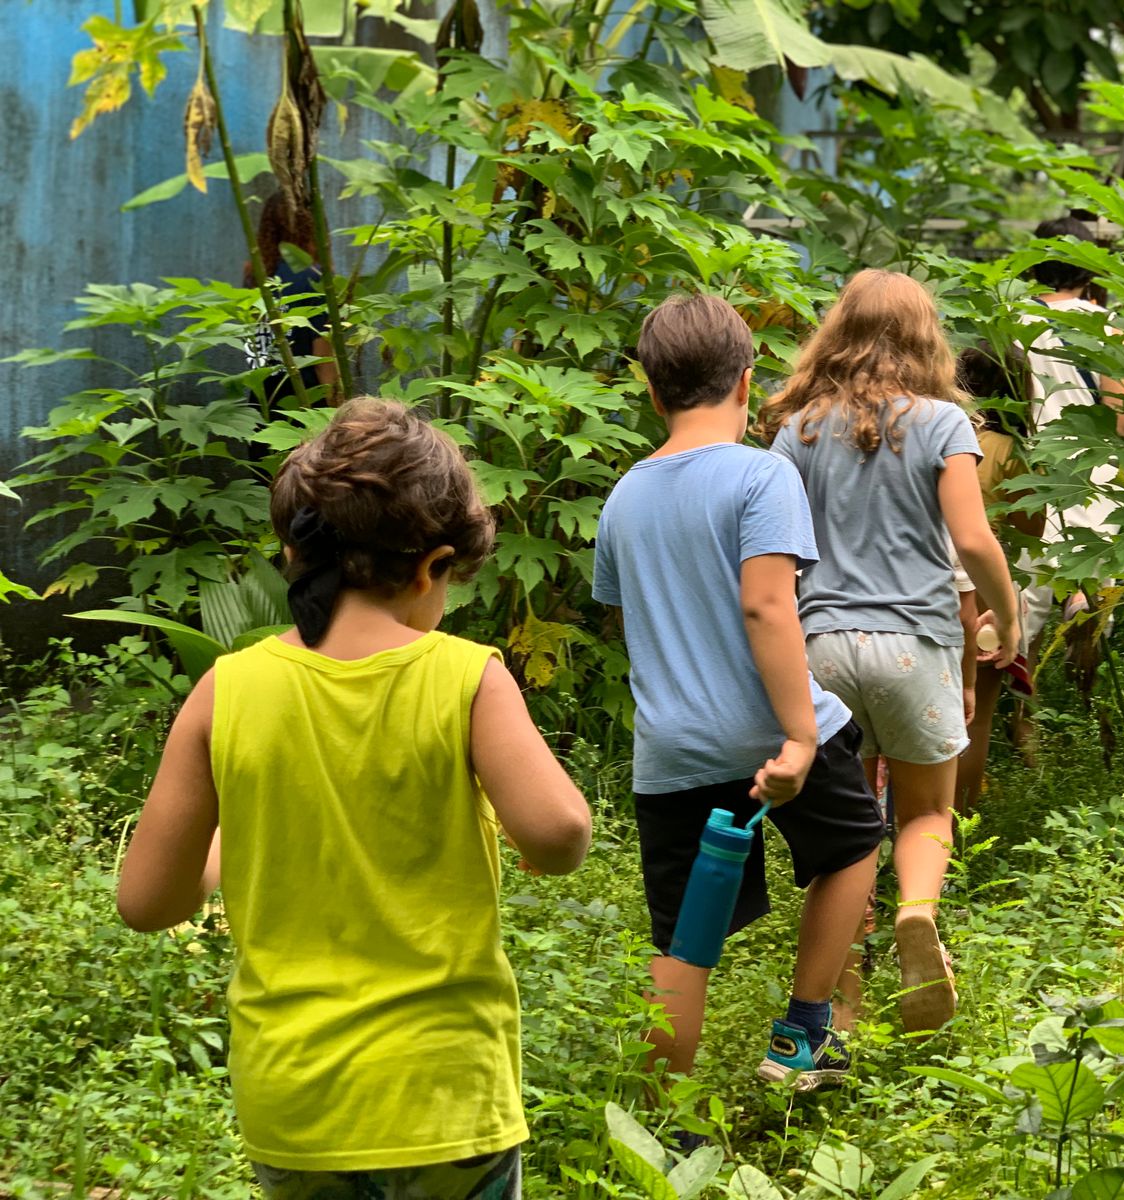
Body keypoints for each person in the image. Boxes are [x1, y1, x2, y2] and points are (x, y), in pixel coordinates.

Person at [117, 397, 592, 1199]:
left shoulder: (224, 690)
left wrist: (236, 836)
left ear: (293, 554)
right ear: (429, 565)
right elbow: (559, 834)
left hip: (296, 1108)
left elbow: (147, 901)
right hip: (446, 1096)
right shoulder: (466, 676)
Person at [591, 293, 883, 1092]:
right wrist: (798, 738)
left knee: (684, 942)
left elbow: (635, 614)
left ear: (651, 390)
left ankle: (657, 1114)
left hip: (673, 747)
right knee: (855, 842)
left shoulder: (623, 497)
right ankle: (804, 1035)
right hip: (771, 726)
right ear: (748, 382)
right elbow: (766, 605)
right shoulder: (763, 476)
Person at [759, 269, 1021, 1032]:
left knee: (843, 842)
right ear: (925, 338)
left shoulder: (797, 430)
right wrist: (1006, 617)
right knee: (927, 810)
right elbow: (971, 539)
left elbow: (774, 555)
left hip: (823, 653)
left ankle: (839, 1010)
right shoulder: (945, 424)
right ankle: (915, 910)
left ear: (836, 332)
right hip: (918, 644)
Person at [1018, 215, 1124, 656]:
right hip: (1090, 478)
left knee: (1021, 607)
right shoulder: (1104, 327)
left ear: (1033, 267)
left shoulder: (1008, 321)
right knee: (1087, 582)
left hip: (1025, 476)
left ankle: (1023, 720)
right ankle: (1082, 691)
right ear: (1087, 269)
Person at [953, 344, 1043, 812]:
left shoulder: (936, 438)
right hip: (989, 593)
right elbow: (1032, 532)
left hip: (932, 589)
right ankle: (957, 829)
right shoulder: (1012, 452)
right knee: (976, 718)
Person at [243, 189, 341, 405]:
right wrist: (338, 405)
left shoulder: (255, 274)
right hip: (307, 400)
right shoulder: (317, 277)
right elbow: (322, 356)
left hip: (262, 398)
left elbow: (256, 345)